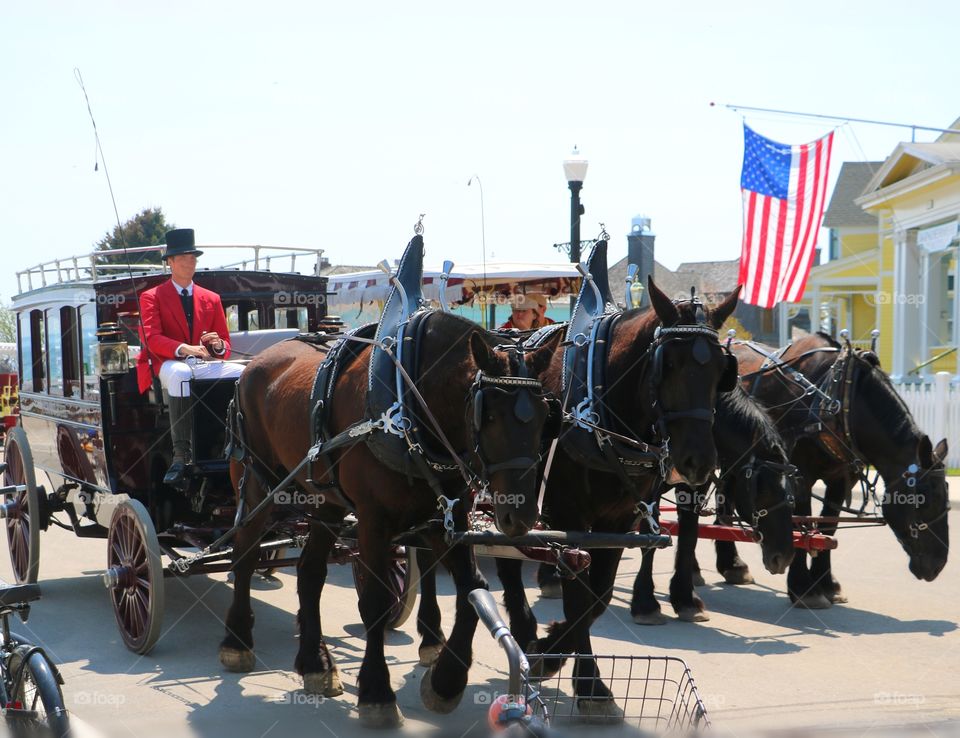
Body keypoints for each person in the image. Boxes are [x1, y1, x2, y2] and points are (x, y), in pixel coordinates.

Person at [135, 228, 245, 489]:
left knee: (241, 373)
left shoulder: (212, 298)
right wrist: (185, 348)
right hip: (167, 362)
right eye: (183, 258)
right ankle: (181, 454)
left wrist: (217, 345)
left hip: (203, 362)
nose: (189, 262)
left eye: (193, 258)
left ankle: (239, 440)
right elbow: (151, 339)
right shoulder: (151, 297)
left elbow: (225, 347)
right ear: (170, 262)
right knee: (182, 375)